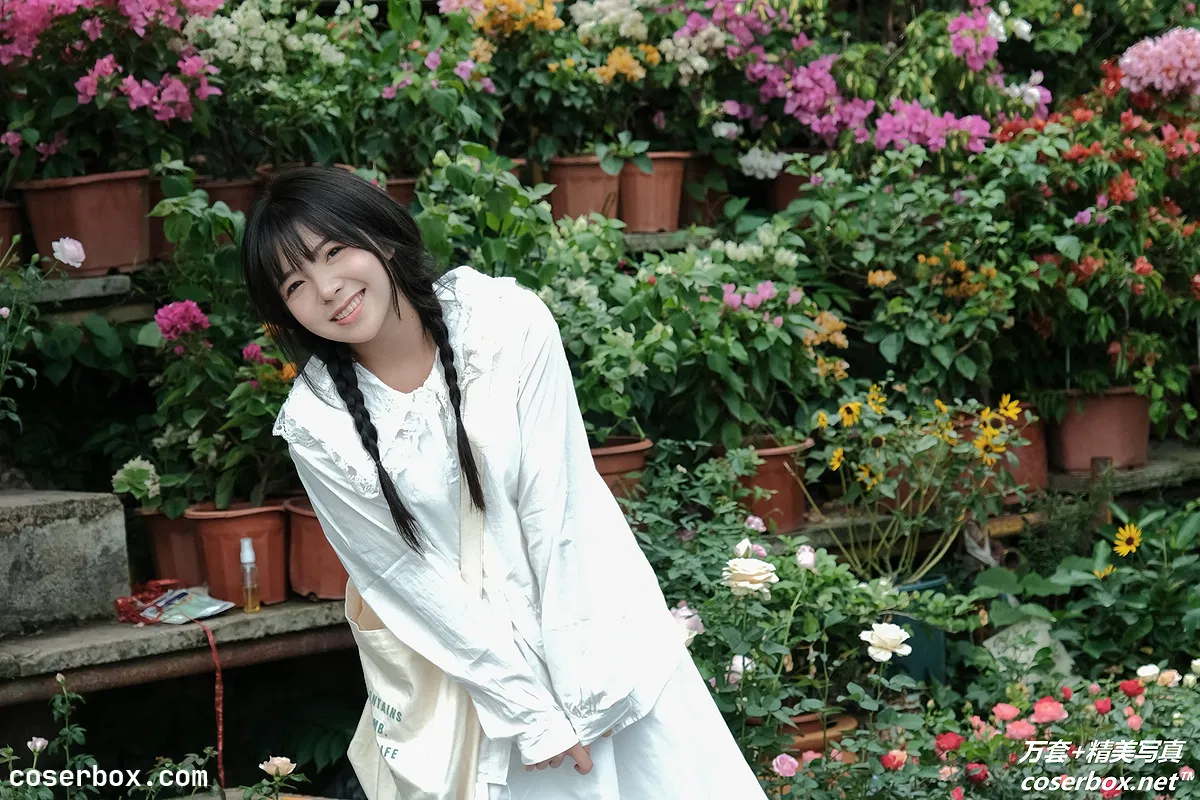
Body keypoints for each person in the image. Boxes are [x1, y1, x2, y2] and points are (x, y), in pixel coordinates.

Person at [241, 166, 768, 799]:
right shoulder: (317, 424)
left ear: (380, 236)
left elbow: (560, 508)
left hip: (603, 641)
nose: (327, 290)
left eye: (333, 252)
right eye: (296, 284)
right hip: (481, 697)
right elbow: (404, 580)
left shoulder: (502, 322)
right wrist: (530, 713)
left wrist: (583, 691)